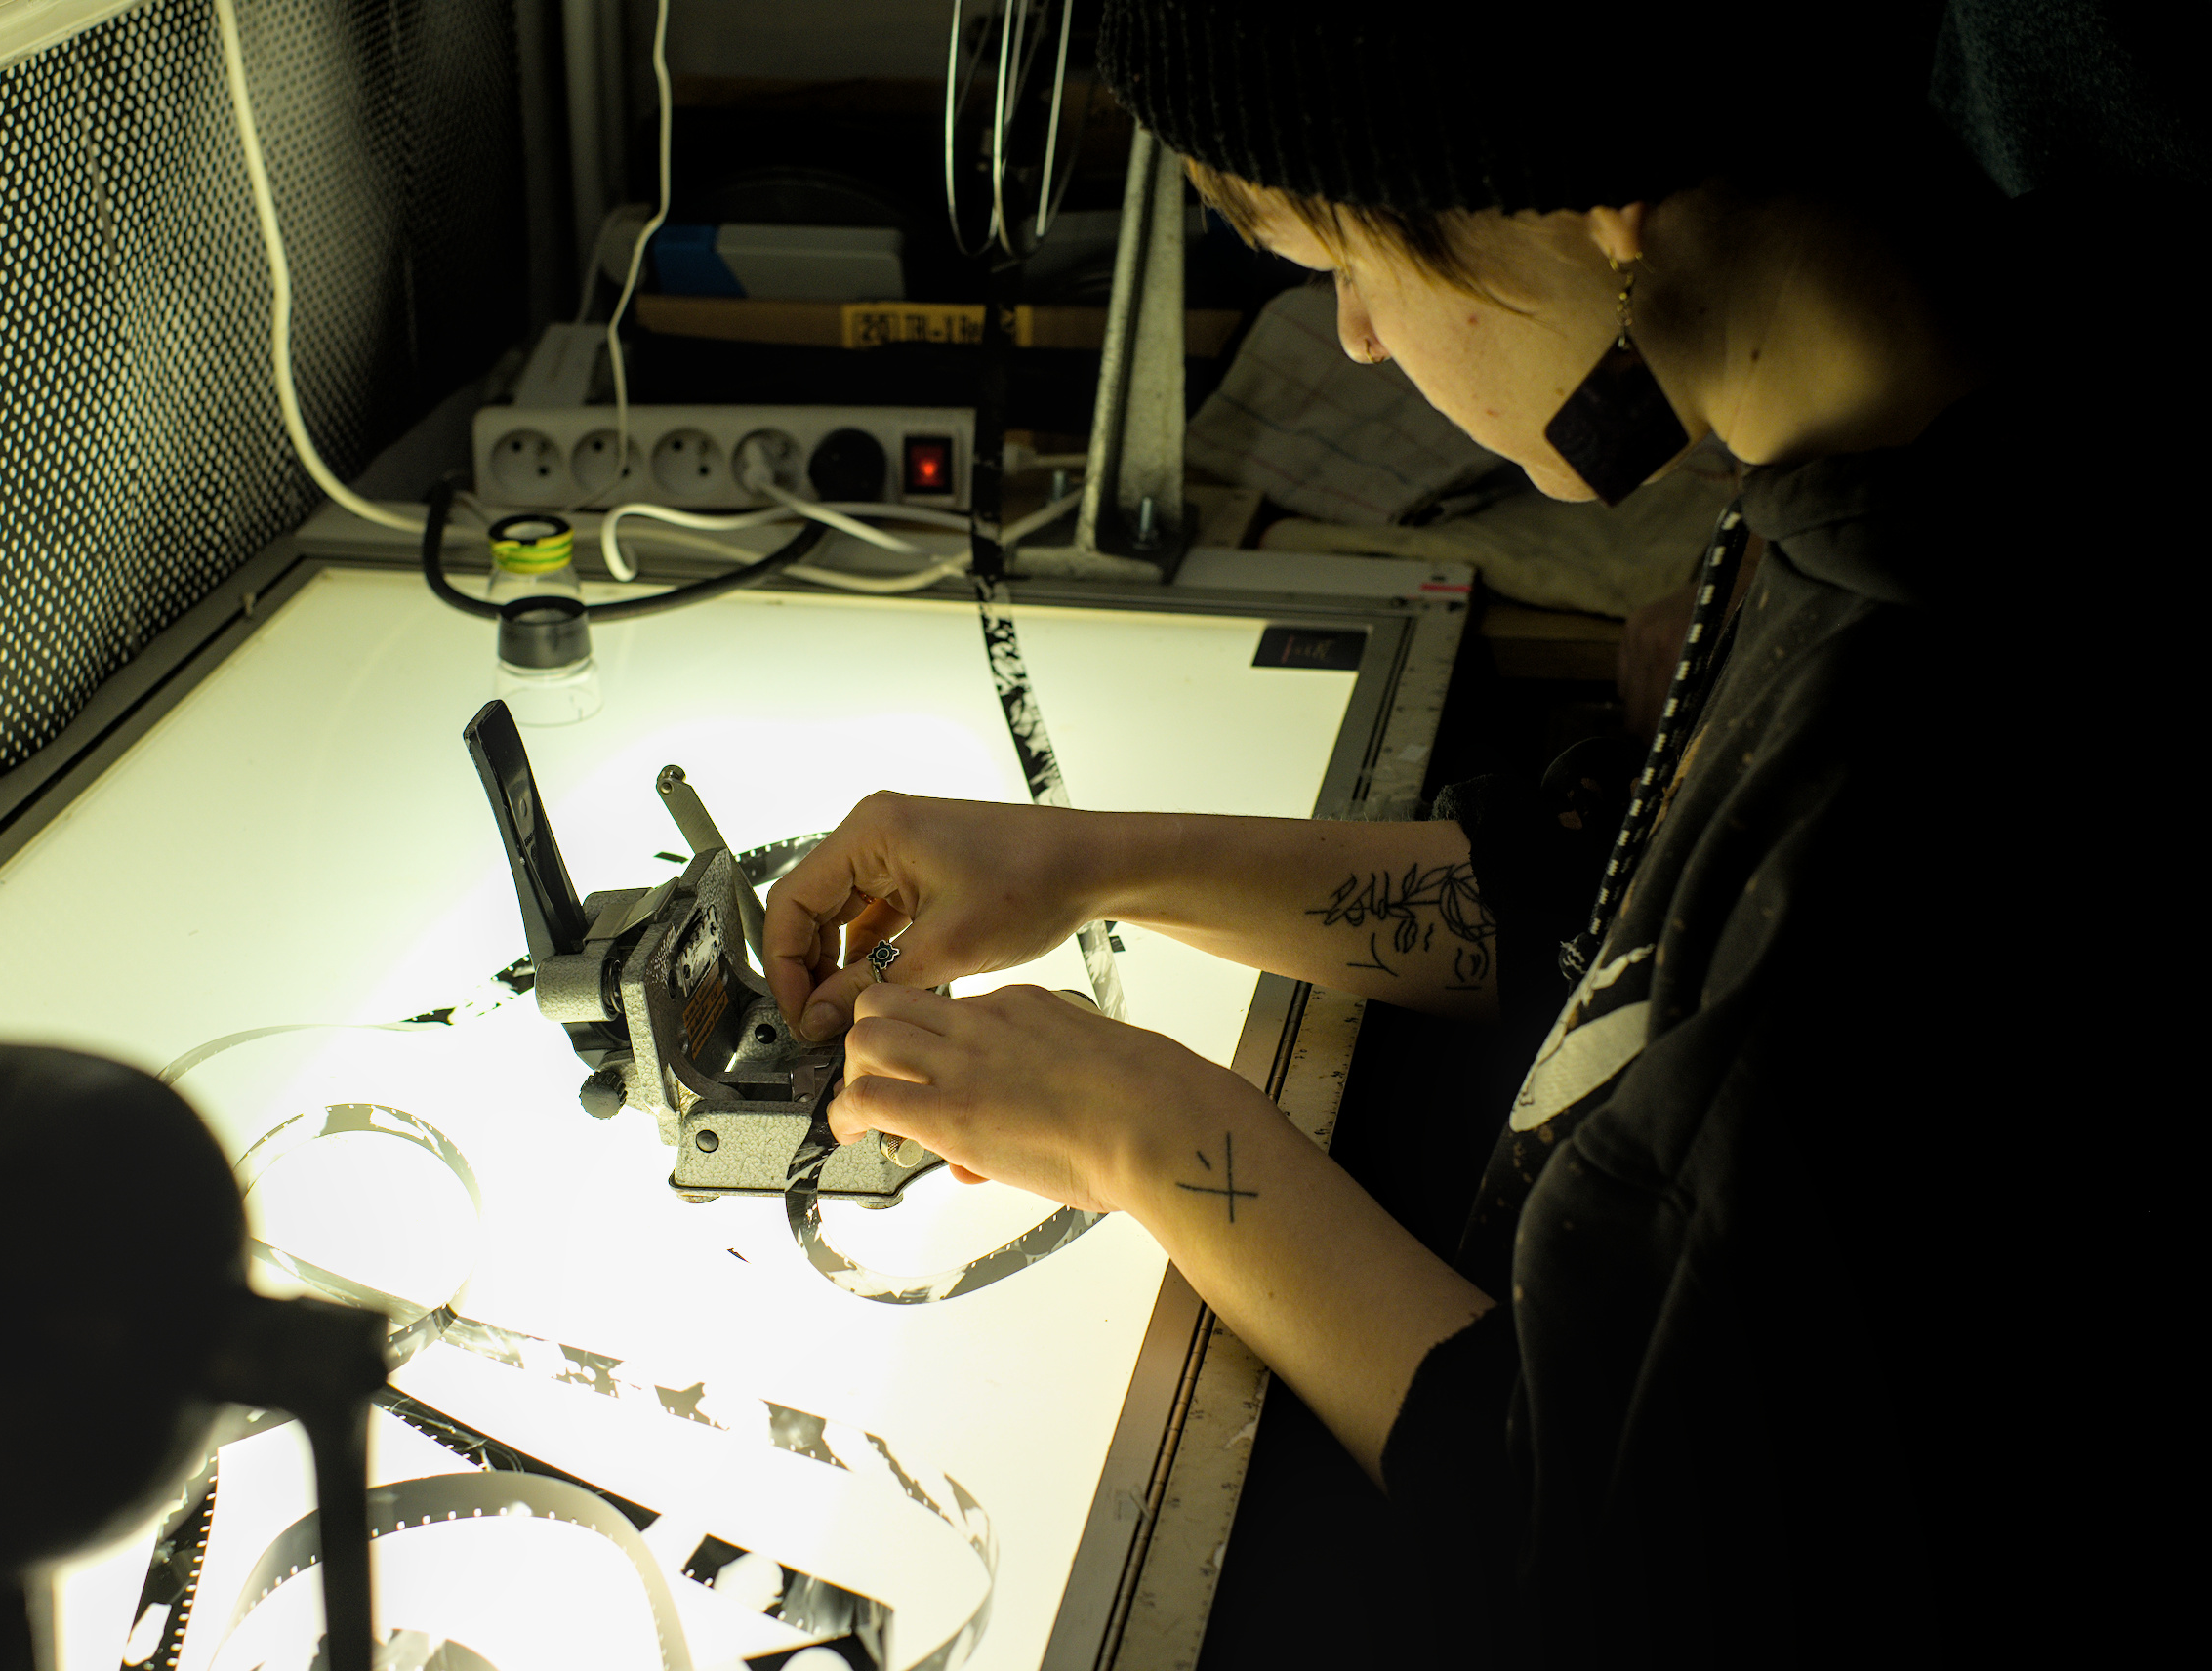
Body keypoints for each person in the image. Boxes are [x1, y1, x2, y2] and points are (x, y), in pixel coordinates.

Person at [760, 2, 2185, 1659]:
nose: (1359, 337)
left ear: (1595, 193)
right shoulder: (1949, 390)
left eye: (1346, 257)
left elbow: (1589, 1537)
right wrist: (1089, 863)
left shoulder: (1912, 789)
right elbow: (1599, 921)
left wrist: (1149, 1126)